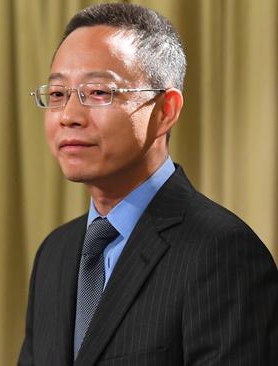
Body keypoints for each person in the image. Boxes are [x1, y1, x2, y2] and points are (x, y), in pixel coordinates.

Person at [19, 3, 278, 365]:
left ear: (165, 110)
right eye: (58, 94)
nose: (69, 117)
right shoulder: (55, 253)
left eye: (98, 92)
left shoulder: (221, 252)